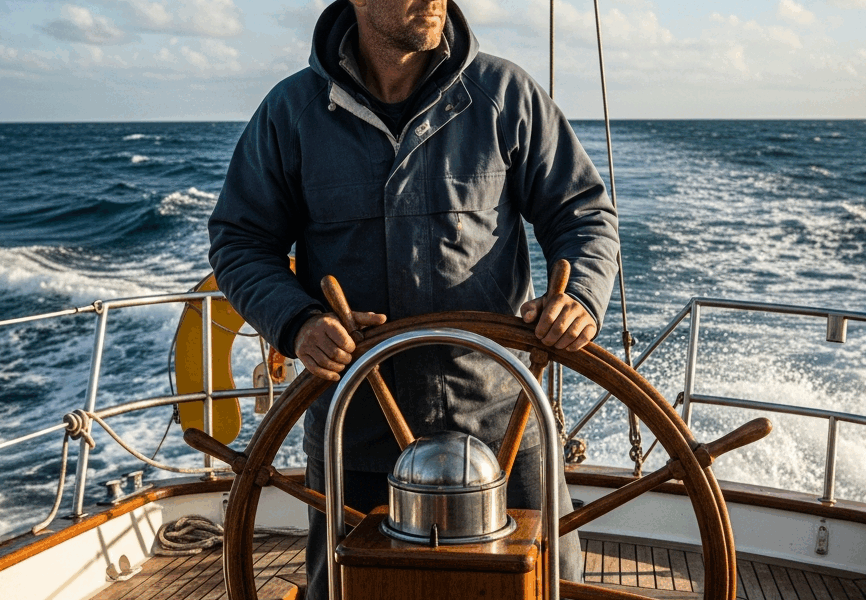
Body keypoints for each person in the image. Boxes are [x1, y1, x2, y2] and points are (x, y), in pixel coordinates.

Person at [207, 0, 620, 597]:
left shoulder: (504, 95)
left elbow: (582, 215)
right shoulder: (292, 113)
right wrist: (298, 323)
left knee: (549, 585)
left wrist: (580, 296)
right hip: (355, 427)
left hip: (501, 422)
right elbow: (241, 240)